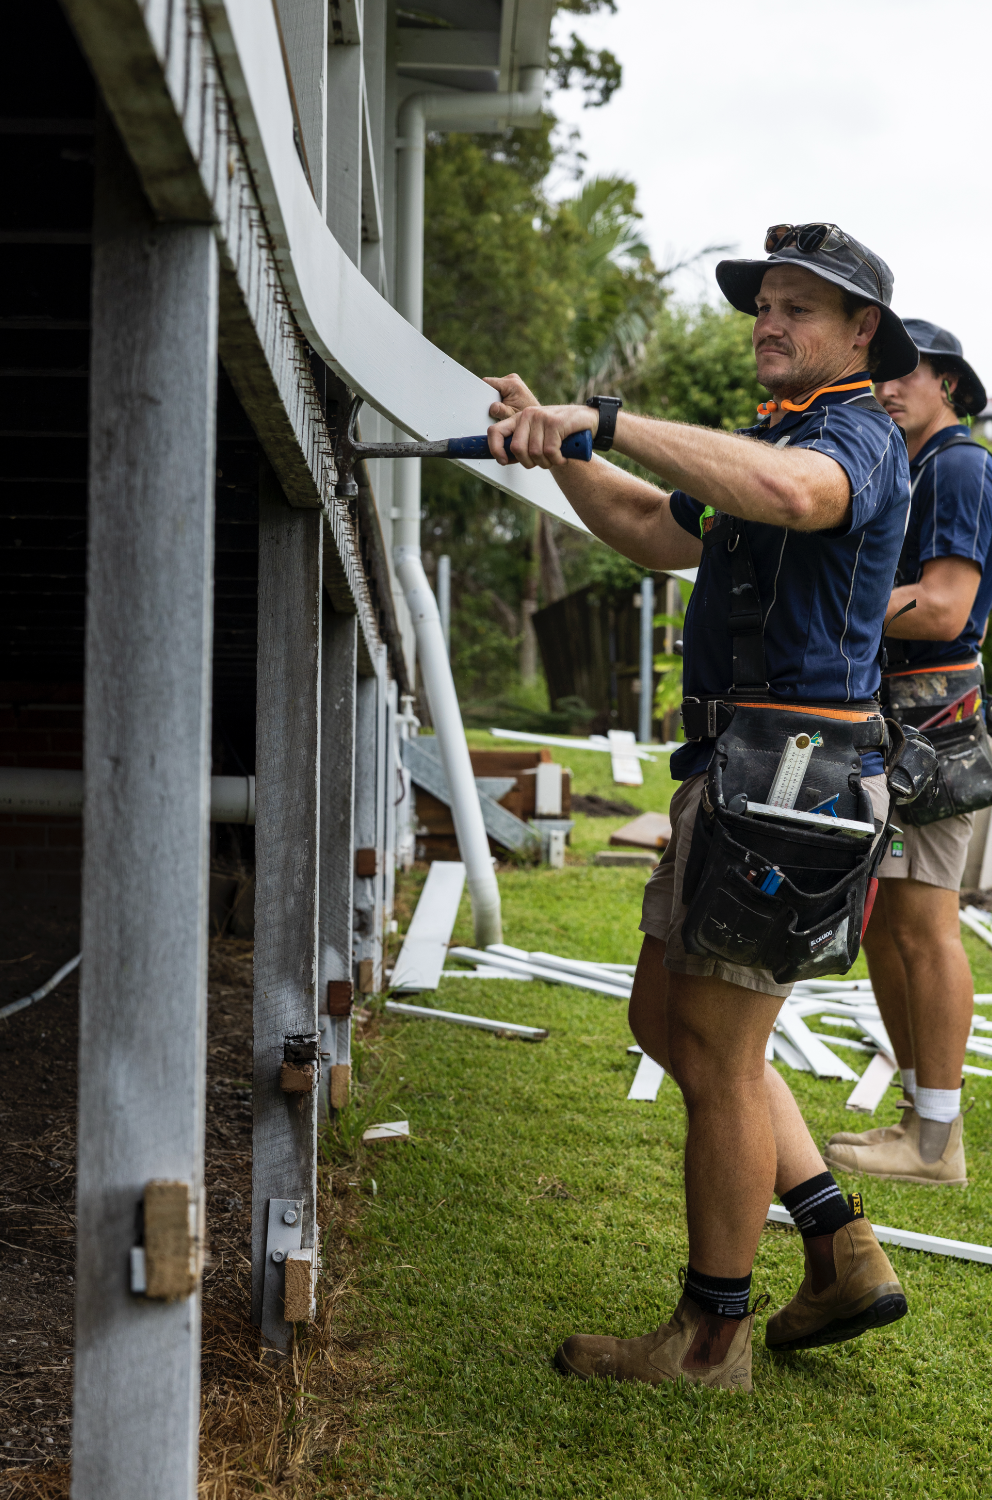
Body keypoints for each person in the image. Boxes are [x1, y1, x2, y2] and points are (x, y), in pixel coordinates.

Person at [485, 224, 919, 1392]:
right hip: (738, 774)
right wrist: (560, 445)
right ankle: (837, 1245)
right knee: (661, 1018)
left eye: (797, 309)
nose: (767, 323)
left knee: (721, 1056)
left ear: (858, 332)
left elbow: (792, 494)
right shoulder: (773, 440)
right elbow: (641, 526)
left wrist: (608, 418)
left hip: (790, 783)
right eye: (762, 306)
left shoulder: (854, 437)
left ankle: (708, 1341)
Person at [823, 322, 990, 1187]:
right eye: (880, 373)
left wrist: (837, 607)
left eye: (906, 373)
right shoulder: (914, 465)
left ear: (951, 387)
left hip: (935, 723)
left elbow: (947, 608)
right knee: (891, 921)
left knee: (925, 927)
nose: (886, 387)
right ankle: (919, 1118)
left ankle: (936, 1141)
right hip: (904, 716)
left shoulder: (959, 465)